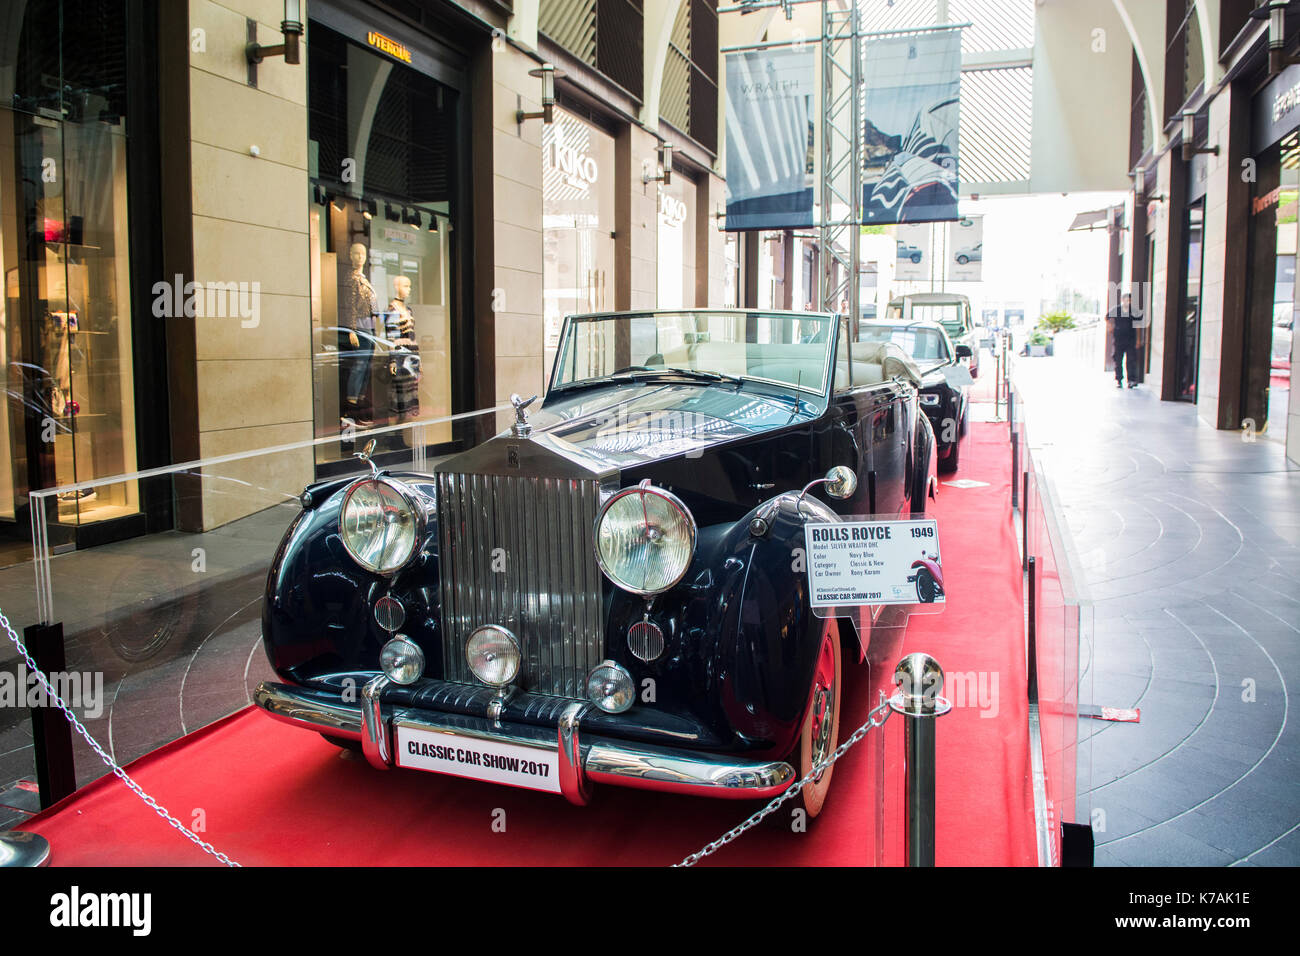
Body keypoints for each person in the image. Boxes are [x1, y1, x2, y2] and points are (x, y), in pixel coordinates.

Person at [1107, 292, 1140, 388]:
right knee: (1118, 360)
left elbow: (1137, 326)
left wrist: (1138, 340)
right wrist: (1110, 327)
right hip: (1119, 339)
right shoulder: (1116, 309)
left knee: (1131, 360)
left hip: (1131, 339)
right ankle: (1119, 380)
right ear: (1122, 300)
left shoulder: (1134, 311)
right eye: (1126, 300)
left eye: (1130, 300)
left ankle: (1131, 380)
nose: (1128, 302)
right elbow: (1107, 317)